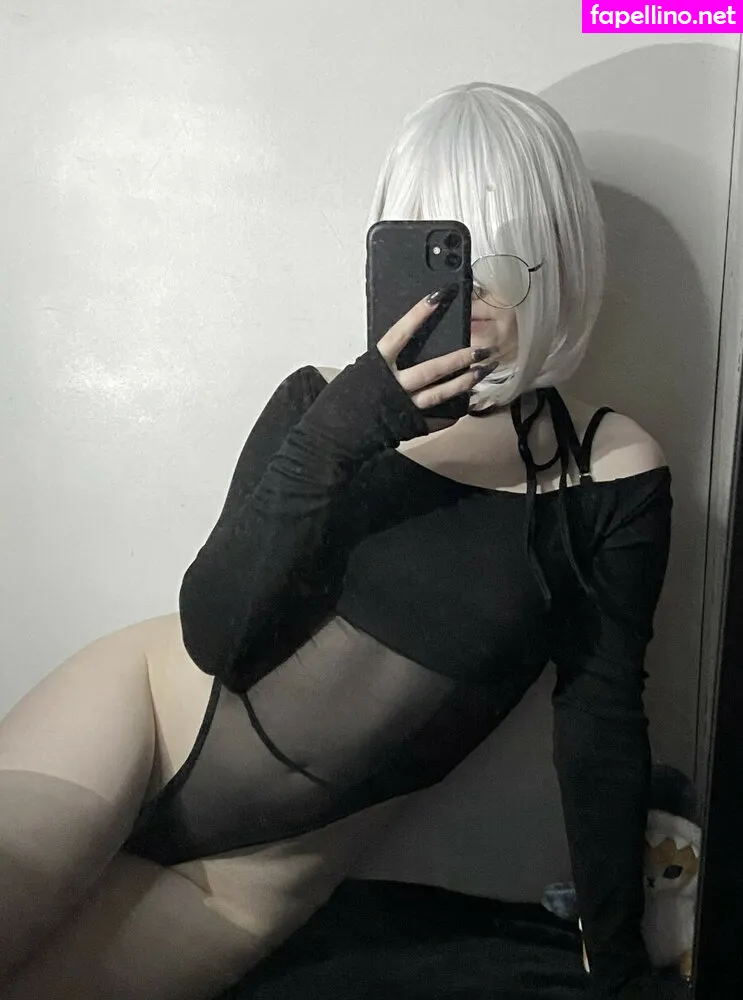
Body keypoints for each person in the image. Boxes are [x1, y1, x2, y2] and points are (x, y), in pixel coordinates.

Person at [0, 82, 672, 1000]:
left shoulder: (607, 471)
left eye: (499, 249)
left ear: (559, 252)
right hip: (139, 715)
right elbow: (213, 635)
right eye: (439, 245)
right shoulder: (325, 402)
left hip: (259, 872)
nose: (468, 287)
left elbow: (600, 718)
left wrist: (618, 960)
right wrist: (349, 426)